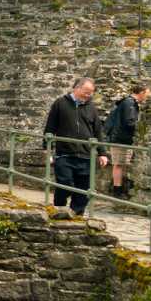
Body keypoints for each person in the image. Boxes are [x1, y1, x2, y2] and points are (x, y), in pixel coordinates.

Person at [43, 77, 108, 217]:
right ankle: (59, 208)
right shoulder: (60, 103)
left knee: (83, 189)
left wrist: (102, 153)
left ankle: (76, 214)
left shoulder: (91, 107)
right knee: (65, 183)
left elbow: (97, 131)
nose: (88, 95)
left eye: (91, 93)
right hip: (65, 153)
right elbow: (50, 128)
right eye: (86, 91)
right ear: (76, 88)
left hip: (86, 155)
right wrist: (47, 150)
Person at [105, 82, 149, 198]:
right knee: (118, 164)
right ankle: (117, 191)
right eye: (147, 94)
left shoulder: (129, 102)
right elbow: (129, 122)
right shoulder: (130, 103)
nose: (147, 97)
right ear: (141, 92)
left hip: (121, 138)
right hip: (120, 138)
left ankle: (119, 189)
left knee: (121, 164)